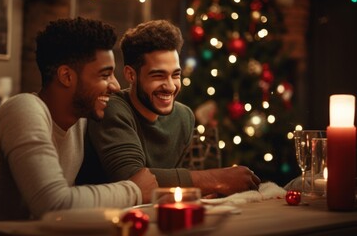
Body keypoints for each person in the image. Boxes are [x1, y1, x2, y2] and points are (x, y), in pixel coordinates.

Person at [0, 17, 158, 236]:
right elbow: (53, 206)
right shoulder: (23, 110)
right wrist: (134, 190)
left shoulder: (80, 122)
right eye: (105, 75)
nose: (115, 86)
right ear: (66, 76)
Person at [77, 19, 260, 197]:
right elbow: (132, 181)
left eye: (175, 75)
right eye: (158, 76)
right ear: (131, 75)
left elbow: (176, 189)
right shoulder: (111, 108)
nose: (170, 86)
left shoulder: (184, 116)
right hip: (106, 220)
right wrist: (218, 178)